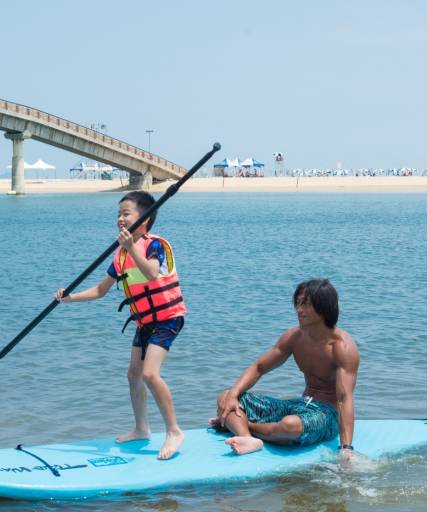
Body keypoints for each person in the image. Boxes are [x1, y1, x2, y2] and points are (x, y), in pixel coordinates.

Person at [53, 191, 187, 460]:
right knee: (133, 374)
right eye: (118, 215)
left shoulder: (155, 245)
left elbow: (150, 272)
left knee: (150, 374)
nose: (120, 219)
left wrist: (130, 248)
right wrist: (70, 297)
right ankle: (142, 428)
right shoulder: (120, 256)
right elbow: (101, 290)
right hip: (145, 321)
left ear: (145, 220)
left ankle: (174, 431)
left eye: (126, 214)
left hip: (167, 318)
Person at [213, 279, 359, 461]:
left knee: (290, 425)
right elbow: (259, 367)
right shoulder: (294, 337)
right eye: (297, 303)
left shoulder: (341, 347)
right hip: (299, 405)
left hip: (326, 416)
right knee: (225, 397)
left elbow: (344, 399)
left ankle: (239, 425)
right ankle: (248, 439)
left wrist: (346, 448)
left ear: (323, 307)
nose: (299, 309)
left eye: (305, 304)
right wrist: (234, 394)